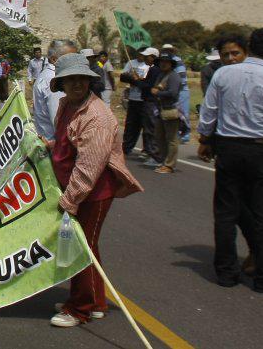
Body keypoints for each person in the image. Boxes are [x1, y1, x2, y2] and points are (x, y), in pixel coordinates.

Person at [198, 27, 263, 293]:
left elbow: (208, 113)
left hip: (228, 148)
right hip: (262, 151)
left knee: (226, 212)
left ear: (250, 47)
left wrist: (205, 141)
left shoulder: (222, 74)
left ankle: (226, 273)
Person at [47, 54, 143, 328]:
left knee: (80, 247)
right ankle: (96, 301)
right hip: (77, 186)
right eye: (70, 79)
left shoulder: (98, 116)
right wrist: (50, 147)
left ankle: (80, 308)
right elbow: (68, 143)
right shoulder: (67, 105)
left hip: (93, 192)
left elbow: (89, 167)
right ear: (61, 84)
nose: (76, 84)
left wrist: (69, 200)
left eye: (81, 79)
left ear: (90, 81)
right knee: (87, 245)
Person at [33, 40, 78, 141]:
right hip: (56, 146)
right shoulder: (55, 79)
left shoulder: (47, 75)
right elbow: (59, 123)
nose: (76, 62)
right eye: (71, 58)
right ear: (54, 59)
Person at [119, 47, 159, 160]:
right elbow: (123, 76)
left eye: (146, 55)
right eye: (142, 54)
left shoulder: (153, 69)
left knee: (147, 127)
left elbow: (148, 84)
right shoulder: (131, 63)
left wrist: (135, 81)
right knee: (131, 125)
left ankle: (148, 151)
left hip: (146, 101)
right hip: (134, 99)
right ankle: (126, 147)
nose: (143, 57)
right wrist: (131, 78)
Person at [148, 54, 182, 174]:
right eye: (161, 62)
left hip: (170, 110)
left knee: (171, 139)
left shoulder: (174, 76)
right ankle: (163, 161)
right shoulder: (161, 75)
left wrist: (158, 92)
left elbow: (173, 93)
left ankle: (169, 164)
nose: (163, 64)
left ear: (171, 64)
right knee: (159, 136)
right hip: (160, 110)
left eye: (166, 62)